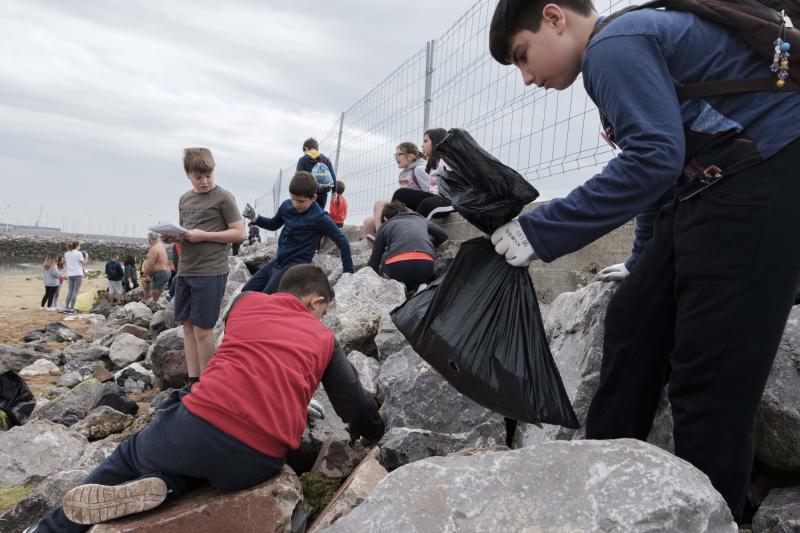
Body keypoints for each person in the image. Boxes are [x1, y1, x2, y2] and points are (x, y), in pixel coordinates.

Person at [488, 0, 800, 521]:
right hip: (719, 180)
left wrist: (539, 230)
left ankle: (709, 516)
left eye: (522, 55)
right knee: (635, 315)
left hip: (768, 170)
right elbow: (668, 167)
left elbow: (653, 160)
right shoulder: (619, 46)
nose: (526, 77)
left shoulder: (613, 47)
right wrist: (640, 261)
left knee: (710, 376)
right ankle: (606, 484)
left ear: (554, 17)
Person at [30, 264, 385, 533]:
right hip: (259, 459)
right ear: (317, 301)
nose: (322, 319)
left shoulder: (246, 304)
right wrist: (377, 434)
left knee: (133, 453)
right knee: (211, 465)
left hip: (198, 427)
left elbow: (247, 359)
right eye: (323, 312)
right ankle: (167, 487)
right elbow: (353, 404)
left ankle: (52, 529)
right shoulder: (323, 340)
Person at [160, 147, 245, 391]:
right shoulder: (185, 199)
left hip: (211, 271)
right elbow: (187, 232)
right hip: (186, 270)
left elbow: (239, 233)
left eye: (208, 175)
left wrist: (202, 236)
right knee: (187, 327)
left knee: (203, 329)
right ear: (188, 174)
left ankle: (209, 385)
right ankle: (193, 380)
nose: (205, 181)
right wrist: (173, 238)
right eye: (198, 177)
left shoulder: (224, 197)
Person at [241, 171, 354, 294]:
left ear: (314, 198)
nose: (295, 204)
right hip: (278, 261)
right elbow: (273, 224)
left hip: (295, 268)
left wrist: (347, 270)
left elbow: (341, 239)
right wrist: (255, 217)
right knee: (246, 291)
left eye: (300, 201)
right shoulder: (286, 206)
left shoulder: (319, 217)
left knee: (266, 297)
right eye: (293, 199)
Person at [367, 201, 448, 289]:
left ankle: (400, 285)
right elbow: (443, 236)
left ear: (386, 218)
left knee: (385, 258)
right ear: (405, 210)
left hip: (397, 268)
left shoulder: (385, 226)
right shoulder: (420, 219)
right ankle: (422, 284)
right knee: (422, 273)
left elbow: (374, 260)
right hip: (425, 266)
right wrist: (430, 244)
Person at [362, 142, 429, 246]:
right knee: (368, 222)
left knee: (379, 204)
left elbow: (429, 193)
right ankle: (378, 256)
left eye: (399, 154)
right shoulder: (402, 173)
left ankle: (381, 238)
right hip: (402, 205)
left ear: (410, 157)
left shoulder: (419, 169)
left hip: (414, 207)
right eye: (395, 155)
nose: (396, 157)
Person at [392, 128, 454, 218]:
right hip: (433, 197)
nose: (422, 145)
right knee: (400, 194)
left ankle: (415, 226)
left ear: (436, 142)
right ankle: (392, 225)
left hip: (446, 200)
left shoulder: (447, 161)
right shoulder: (432, 164)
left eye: (425, 141)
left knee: (425, 203)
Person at [296, 137, 337, 210]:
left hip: (308, 194)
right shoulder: (326, 159)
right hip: (323, 194)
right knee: (318, 216)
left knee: (307, 216)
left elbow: (299, 177)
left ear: (306, 148)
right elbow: (332, 176)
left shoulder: (303, 160)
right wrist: (334, 192)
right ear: (316, 148)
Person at [141, 233, 171, 305]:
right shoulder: (161, 246)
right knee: (148, 282)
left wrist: (146, 274)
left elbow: (150, 264)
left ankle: (154, 303)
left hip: (161, 272)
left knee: (156, 287)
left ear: (150, 240)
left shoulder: (154, 248)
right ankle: (147, 299)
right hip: (166, 271)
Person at [63, 241, 88, 314]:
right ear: (77, 245)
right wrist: (86, 256)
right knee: (75, 291)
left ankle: (66, 308)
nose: (80, 246)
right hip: (78, 274)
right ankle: (71, 308)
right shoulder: (79, 253)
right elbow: (84, 264)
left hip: (70, 274)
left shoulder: (66, 253)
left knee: (70, 291)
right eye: (79, 245)